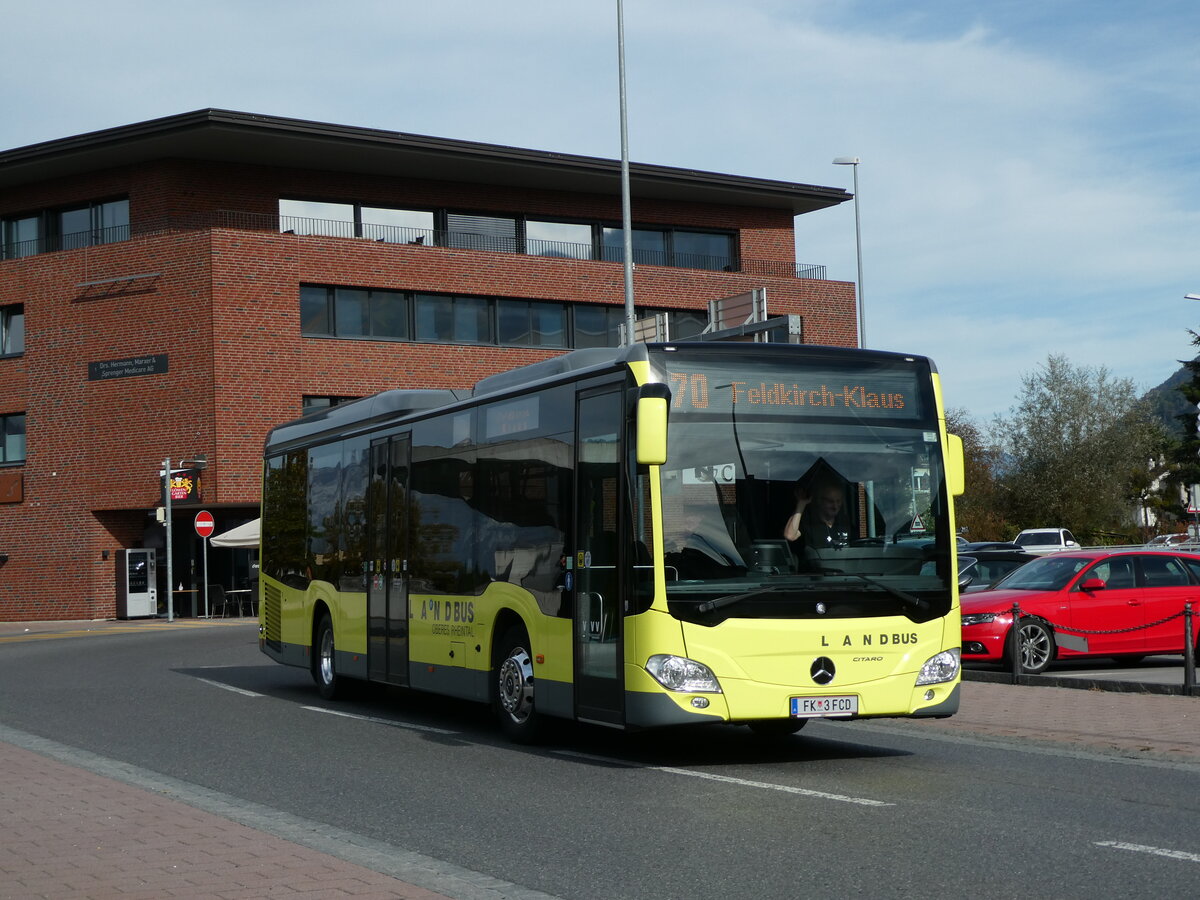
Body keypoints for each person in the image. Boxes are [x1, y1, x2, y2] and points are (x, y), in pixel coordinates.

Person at [783, 479, 848, 550]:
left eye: (838, 501)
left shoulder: (844, 522)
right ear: (820, 501)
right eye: (830, 501)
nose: (835, 506)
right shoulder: (808, 521)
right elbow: (790, 536)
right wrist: (801, 504)